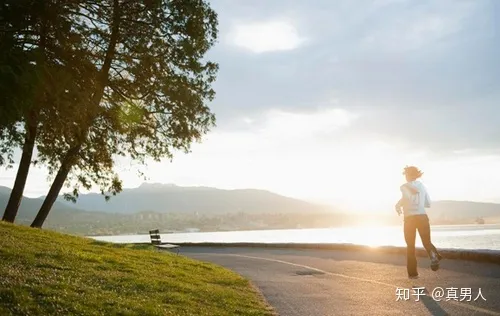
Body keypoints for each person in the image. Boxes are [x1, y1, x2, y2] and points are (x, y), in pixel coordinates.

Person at [395, 166, 442, 279]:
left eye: (406, 175)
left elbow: (406, 197)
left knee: (410, 246)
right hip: (422, 216)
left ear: (408, 175)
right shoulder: (423, 187)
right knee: (426, 241)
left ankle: (413, 273)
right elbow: (428, 203)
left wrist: (399, 204)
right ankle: (434, 255)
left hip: (410, 218)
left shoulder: (404, 186)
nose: (405, 177)